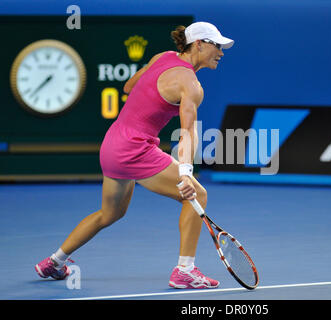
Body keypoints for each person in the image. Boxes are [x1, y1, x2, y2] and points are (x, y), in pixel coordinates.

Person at [35, 22, 234, 289]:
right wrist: (186, 174)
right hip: (135, 149)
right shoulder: (191, 86)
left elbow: (129, 87)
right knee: (198, 194)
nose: (221, 52)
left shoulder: (162, 57)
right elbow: (187, 131)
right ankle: (185, 270)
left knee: (110, 214)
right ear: (198, 44)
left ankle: (54, 262)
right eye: (216, 46)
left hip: (112, 144)